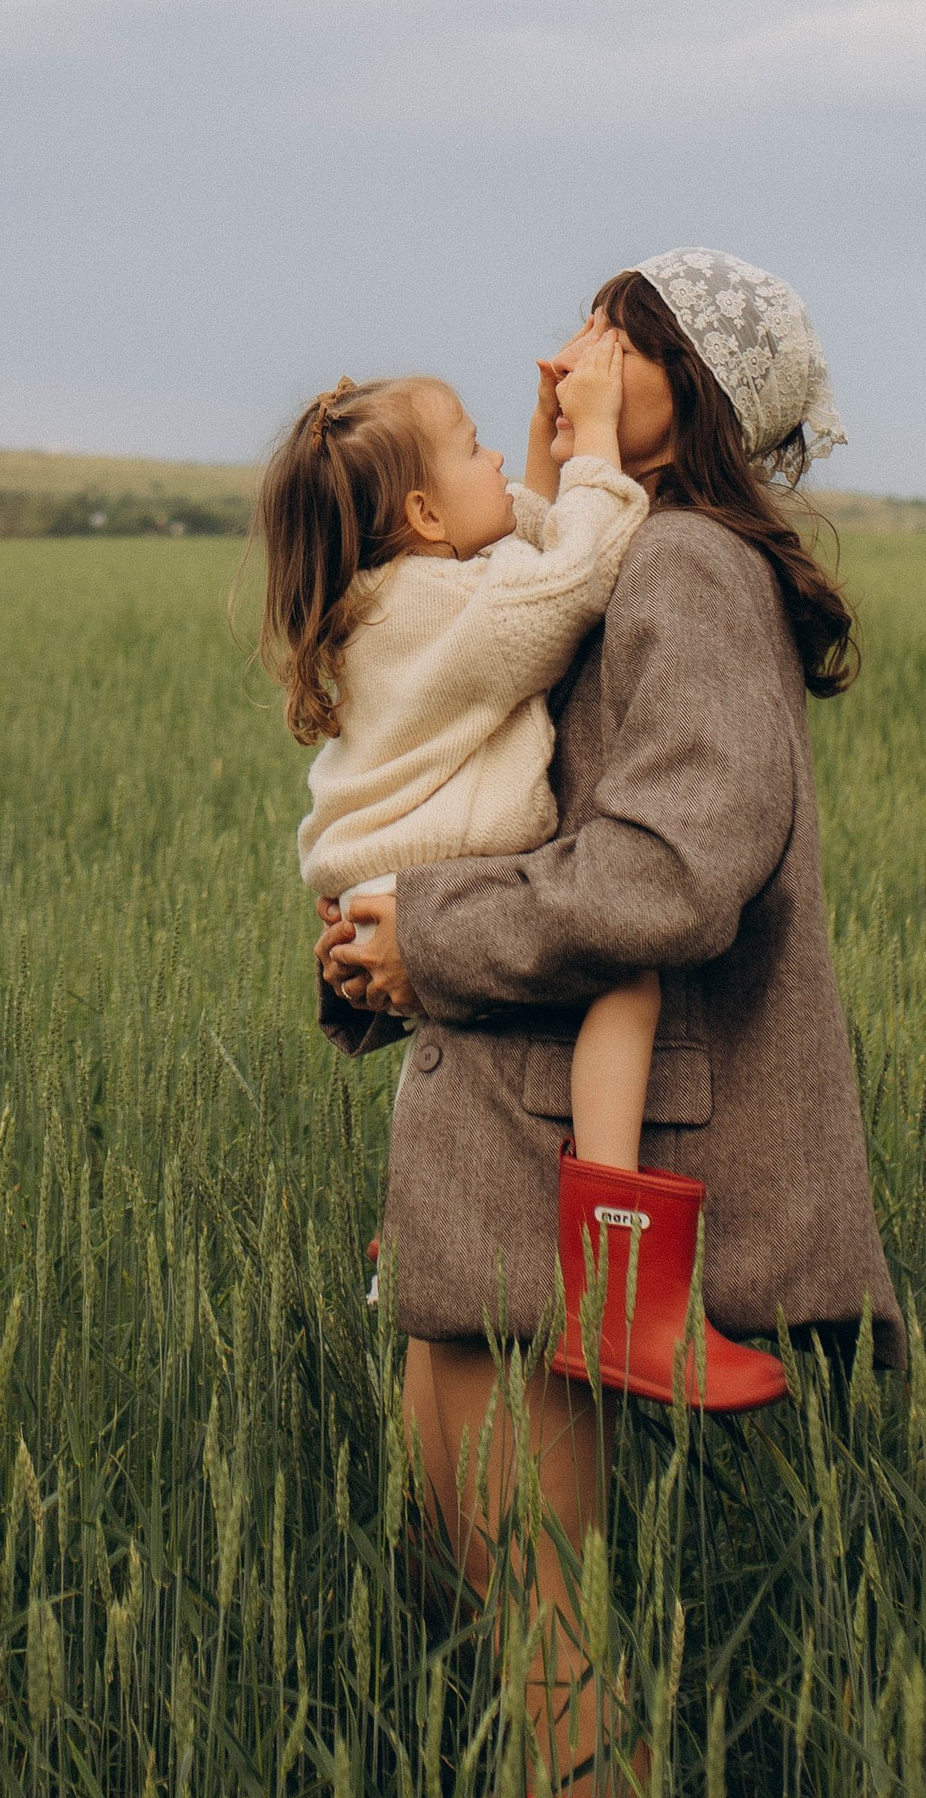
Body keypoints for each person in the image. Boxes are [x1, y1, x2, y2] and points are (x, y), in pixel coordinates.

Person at [316, 249, 904, 1798]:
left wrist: (425, 935)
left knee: (554, 1662)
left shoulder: (688, 569)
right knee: (510, 1635)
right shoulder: (609, 553)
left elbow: (666, 874)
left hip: (551, 1187)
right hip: (491, 1163)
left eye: (613, 327)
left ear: (684, 389)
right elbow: (526, 831)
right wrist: (386, 955)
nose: (567, 345)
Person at [257, 346, 667, 1185]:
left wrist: (538, 433)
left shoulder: (399, 597)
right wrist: (592, 437)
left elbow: (517, 537)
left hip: (385, 877)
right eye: (478, 448)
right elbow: (574, 577)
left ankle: (441, 1206)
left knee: (461, 1053)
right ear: (424, 515)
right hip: (429, 881)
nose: (501, 467)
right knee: (624, 977)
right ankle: (616, 1205)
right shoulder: (445, 610)